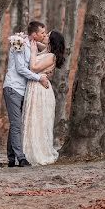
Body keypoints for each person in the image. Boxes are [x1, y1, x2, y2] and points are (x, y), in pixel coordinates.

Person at [3, 21, 50, 167]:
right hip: (13, 88)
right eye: (42, 32)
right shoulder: (19, 43)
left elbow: (48, 47)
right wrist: (39, 78)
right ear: (34, 34)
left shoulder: (32, 45)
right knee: (16, 124)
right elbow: (20, 69)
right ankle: (21, 158)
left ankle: (11, 158)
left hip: (24, 90)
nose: (44, 35)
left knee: (16, 125)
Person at [22, 30, 66, 165]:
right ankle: (26, 152)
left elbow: (34, 68)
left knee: (38, 120)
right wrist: (25, 38)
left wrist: (34, 53)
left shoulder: (51, 56)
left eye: (47, 35)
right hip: (35, 88)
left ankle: (38, 153)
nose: (44, 36)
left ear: (51, 41)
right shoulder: (47, 51)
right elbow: (37, 44)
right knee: (31, 119)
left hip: (41, 91)